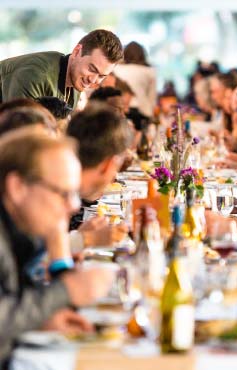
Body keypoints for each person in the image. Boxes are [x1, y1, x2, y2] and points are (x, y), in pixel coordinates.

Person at [0, 127, 115, 366]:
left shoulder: (21, 234)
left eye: (74, 194)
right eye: (63, 193)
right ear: (17, 187)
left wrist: (41, 321)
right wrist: (66, 290)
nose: (73, 206)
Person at [0, 29, 123, 109]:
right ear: (76, 51)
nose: (93, 80)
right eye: (92, 69)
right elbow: (21, 134)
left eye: (101, 76)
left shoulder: (75, 84)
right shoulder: (36, 74)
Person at [66, 103, 129, 249]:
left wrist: (79, 238)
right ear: (109, 164)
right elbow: (31, 261)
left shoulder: (64, 184)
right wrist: (83, 240)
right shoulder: (57, 194)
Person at [113, 41, 156, 126]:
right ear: (142, 55)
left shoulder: (116, 68)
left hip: (122, 109)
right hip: (142, 111)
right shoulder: (150, 71)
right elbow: (152, 97)